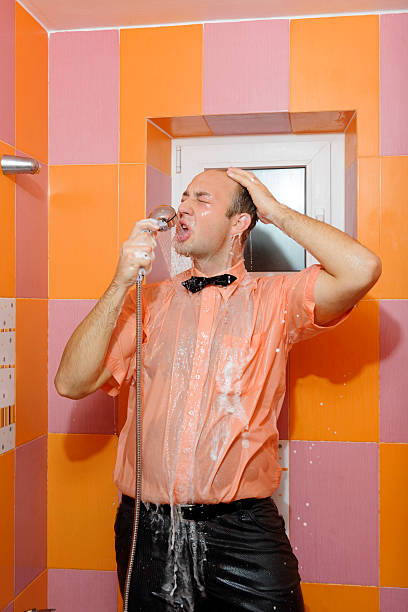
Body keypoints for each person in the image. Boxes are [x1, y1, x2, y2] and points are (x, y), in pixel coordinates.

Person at [55, 167, 382, 611]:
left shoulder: (276, 299)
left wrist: (275, 211)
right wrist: (119, 283)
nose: (184, 205)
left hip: (243, 532)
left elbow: (362, 269)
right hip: (147, 528)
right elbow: (70, 383)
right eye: (184, 196)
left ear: (239, 223)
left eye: (202, 199)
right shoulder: (144, 303)